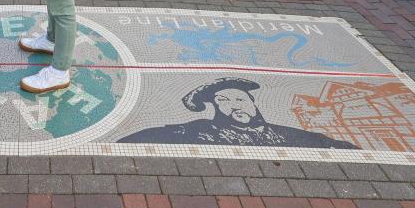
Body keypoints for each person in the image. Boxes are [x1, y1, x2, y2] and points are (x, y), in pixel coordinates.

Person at [118, 77, 359, 149]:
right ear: (214, 106)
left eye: (240, 98)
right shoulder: (195, 130)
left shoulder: (288, 134)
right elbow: (134, 140)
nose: (234, 104)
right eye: (223, 100)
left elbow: (334, 146)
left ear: (252, 102)